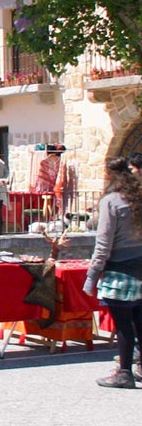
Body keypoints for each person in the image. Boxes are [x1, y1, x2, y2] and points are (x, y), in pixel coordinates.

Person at [83, 157, 142, 388]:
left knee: (124, 324)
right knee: (140, 321)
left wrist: (91, 276)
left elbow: (103, 244)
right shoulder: (138, 199)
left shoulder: (111, 201)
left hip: (120, 270)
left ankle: (124, 372)